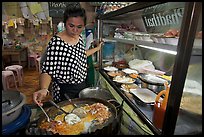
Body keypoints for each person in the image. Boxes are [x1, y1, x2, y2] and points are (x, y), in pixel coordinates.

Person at [33, 5, 103, 106]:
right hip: (66, 91)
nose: (75, 30)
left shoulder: (79, 38)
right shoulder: (57, 42)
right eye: (71, 26)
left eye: (79, 27)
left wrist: (97, 48)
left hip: (81, 86)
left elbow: (80, 54)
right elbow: (48, 70)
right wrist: (44, 89)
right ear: (65, 23)